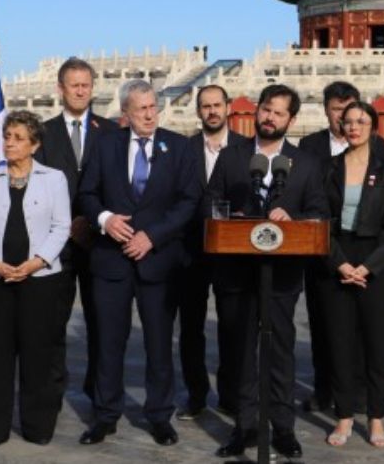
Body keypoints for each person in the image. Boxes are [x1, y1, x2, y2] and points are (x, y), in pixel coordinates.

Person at [207, 84, 329, 460]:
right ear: (256, 111)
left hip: (283, 275)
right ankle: (244, 427)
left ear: (291, 120)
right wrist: (232, 217)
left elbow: (320, 213)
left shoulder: (305, 163)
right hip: (237, 273)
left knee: (279, 351)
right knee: (241, 351)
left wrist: (292, 220)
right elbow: (210, 203)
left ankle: (284, 427)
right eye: (265, 109)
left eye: (278, 112)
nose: (269, 117)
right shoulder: (232, 156)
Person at [76, 79, 199, 447]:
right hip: (110, 262)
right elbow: (86, 193)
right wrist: (104, 220)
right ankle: (105, 415)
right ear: (125, 114)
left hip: (157, 262)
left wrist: (153, 236)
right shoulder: (103, 145)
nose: (149, 114)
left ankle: (159, 415)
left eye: (153, 107)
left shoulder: (177, 147)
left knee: (159, 343)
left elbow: (188, 201)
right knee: (108, 342)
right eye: (141, 109)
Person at [0, 110, 71, 447]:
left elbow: (61, 227)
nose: (9, 144)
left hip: (40, 279)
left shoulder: (54, 179)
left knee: (37, 356)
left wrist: (36, 263)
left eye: (18, 138)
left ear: (35, 145)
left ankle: (37, 426)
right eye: (7, 137)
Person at [296, 80, 384, 414]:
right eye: (336, 110)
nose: (342, 119)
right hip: (322, 246)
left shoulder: (378, 148)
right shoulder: (309, 146)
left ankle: (359, 393)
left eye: (347, 110)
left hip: (362, 247)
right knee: (322, 323)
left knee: (362, 326)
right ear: (325, 110)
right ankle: (324, 391)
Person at [34, 57, 120, 403]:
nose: (81, 91)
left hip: (101, 242)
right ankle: (52, 391)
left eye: (86, 84)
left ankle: (98, 392)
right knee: (53, 323)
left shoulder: (112, 133)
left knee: (101, 324)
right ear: (61, 89)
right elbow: (35, 189)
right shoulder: (43, 134)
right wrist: (66, 225)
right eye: (74, 85)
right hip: (57, 246)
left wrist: (94, 219)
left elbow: (120, 186)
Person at [318, 100, 384, 448]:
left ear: (373, 127)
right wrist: (339, 264)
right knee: (340, 344)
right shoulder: (327, 168)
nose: (353, 127)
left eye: (361, 121)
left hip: (375, 263)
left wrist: (368, 266)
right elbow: (320, 221)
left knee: (375, 344)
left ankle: (377, 417)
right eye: (348, 121)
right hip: (337, 258)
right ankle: (344, 416)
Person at [178, 84, 252, 419]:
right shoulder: (184, 148)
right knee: (191, 326)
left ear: (228, 108)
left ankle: (231, 394)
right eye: (205, 106)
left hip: (231, 252)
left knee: (231, 324)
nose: (211, 111)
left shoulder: (246, 149)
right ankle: (195, 394)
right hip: (191, 248)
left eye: (216, 105)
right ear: (198, 111)